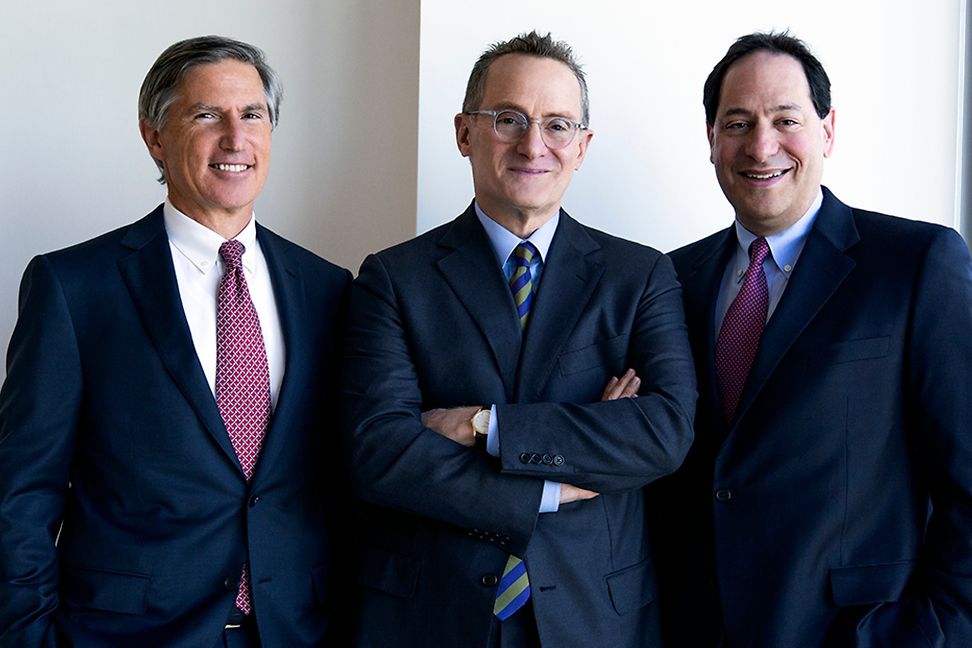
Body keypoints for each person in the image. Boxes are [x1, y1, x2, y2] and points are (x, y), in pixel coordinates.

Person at [340, 30, 696, 648]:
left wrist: (483, 426)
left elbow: (663, 432)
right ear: (464, 133)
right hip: (433, 617)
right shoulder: (394, 278)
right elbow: (381, 452)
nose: (535, 145)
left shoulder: (639, 277)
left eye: (558, 125)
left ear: (582, 147)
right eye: (509, 119)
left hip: (594, 617)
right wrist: (553, 486)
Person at [0, 35, 351, 647]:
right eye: (206, 115)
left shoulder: (329, 290)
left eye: (253, 115)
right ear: (154, 136)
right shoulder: (74, 287)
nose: (235, 139)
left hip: (296, 630)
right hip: (125, 634)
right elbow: (22, 492)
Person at [649, 31, 972, 646]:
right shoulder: (668, 280)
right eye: (737, 122)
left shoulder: (917, 264)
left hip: (856, 630)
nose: (760, 144)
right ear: (711, 140)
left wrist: (937, 632)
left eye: (784, 119)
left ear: (827, 130)